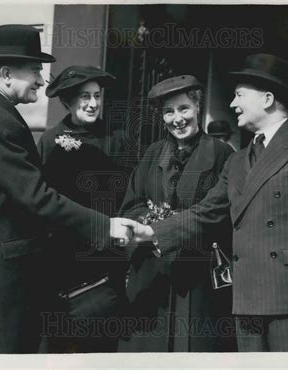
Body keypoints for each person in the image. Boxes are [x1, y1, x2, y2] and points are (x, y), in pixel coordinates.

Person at [125, 54, 288, 352]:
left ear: (267, 99)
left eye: (239, 95)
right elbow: (206, 213)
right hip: (247, 304)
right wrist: (152, 232)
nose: (233, 104)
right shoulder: (237, 161)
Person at [0, 25, 134, 354]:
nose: (41, 80)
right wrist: (106, 224)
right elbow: (36, 195)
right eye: (36, 70)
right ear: (7, 73)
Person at [117, 75, 236, 352]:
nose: (177, 119)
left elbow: (222, 212)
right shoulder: (153, 153)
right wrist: (149, 222)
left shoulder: (222, 154)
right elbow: (131, 204)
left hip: (197, 274)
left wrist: (176, 229)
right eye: (169, 112)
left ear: (197, 108)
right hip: (152, 272)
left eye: (183, 109)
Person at [37, 65, 127, 352]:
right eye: (84, 97)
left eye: (97, 96)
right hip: (62, 254)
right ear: (67, 100)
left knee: (100, 340)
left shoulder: (117, 137)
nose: (92, 104)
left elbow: (130, 192)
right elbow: (40, 198)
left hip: (106, 253)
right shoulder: (51, 140)